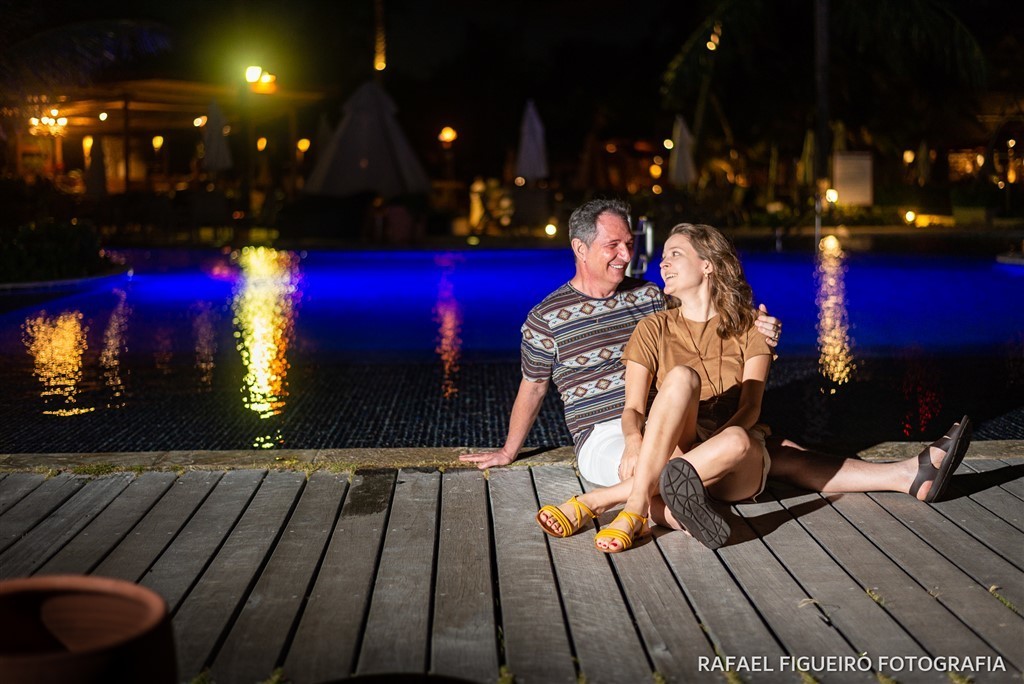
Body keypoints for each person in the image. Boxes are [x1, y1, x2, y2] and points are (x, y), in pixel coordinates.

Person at [533, 223, 972, 553]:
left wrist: (727, 438)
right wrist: (632, 441)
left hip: (734, 460)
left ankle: (610, 504)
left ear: (707, 264)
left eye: (674, 254)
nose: (661, 262)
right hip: (676, 451)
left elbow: (751, 405)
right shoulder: (652, 327)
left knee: (743, 438)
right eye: (663, 256)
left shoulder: (751, 327)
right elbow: (633, 408)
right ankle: (652, 510)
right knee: (683, 379)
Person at [459, 199, 781, 483]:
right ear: (580, 248)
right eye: (613, 245)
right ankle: (673, 512)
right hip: (602, 433)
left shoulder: (650, 296)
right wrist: (508, 450)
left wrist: (758, 325)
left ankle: (662, 510)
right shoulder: (545, 319)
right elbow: (533, 386)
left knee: (671, 468)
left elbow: (704, 314)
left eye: (629, 243)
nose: (626, 255)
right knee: (652, 472)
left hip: (658, 422)